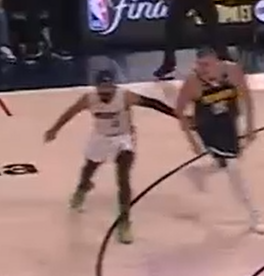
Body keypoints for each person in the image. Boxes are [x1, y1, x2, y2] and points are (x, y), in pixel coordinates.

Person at [42, 67, 178, 244]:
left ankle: (124, 221)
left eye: (108, 88)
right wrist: (54, 130)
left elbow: (154, 104)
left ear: (114, 86)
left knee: (123, 178)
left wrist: (178, 116)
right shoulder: (88, 99)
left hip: (123, 138)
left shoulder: (125, 96)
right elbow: (69, 113)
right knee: (89, 169)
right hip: (100, 137)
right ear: (96, 87)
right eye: (102, 88)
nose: (105, 92)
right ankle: (82, 189)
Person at [176, 45, 264, 233]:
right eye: (199, 65)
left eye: (207, 64)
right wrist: (192, 140)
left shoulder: (232, 71)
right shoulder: (193, 82)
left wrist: (250, 126)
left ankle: (200, 173)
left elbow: (247, 98)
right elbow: (179, 110)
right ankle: (254, 216)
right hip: (208, 126)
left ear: (217, 62)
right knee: (234, 169)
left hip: (229, 122)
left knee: (226, 162)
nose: (202, 69)